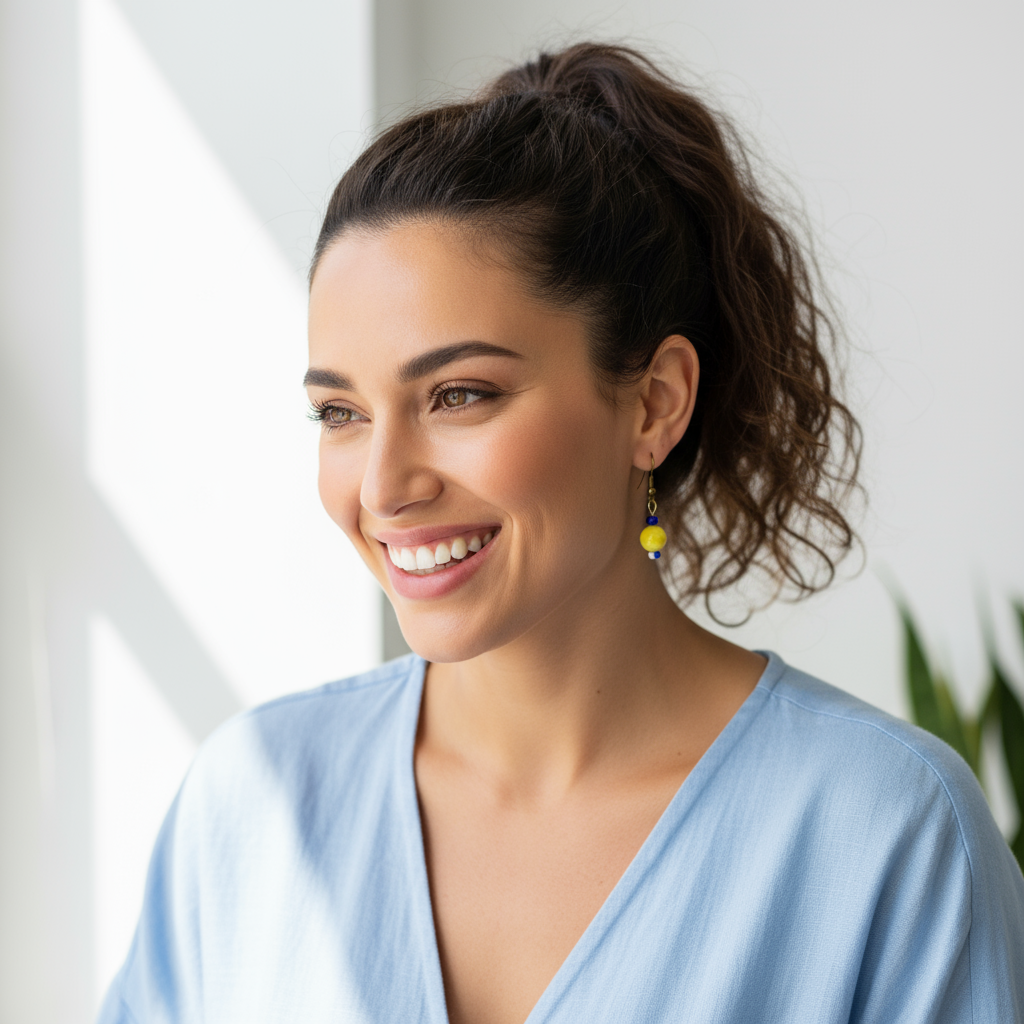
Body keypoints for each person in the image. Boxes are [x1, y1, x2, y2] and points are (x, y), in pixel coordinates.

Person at [98, 43, 1024, 1024]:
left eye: (459, 395)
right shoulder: (251, 807)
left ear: (653, 403)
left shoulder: (888, 833)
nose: (384, 486)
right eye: (341, 413)